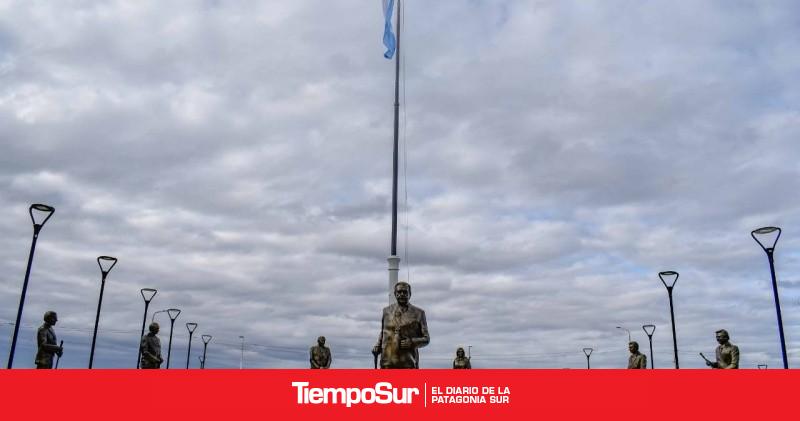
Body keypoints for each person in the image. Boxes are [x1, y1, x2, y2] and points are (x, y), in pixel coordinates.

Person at [372, 282, 430, 369]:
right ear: (395, 294)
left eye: (405, 292)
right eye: (399, 292)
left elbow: (426, 338)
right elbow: (383, 332)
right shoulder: (386, 311)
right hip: (387, 362)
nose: (402, 294)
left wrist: (412, 342)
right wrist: (378, 345)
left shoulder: (419, 313)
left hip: (408, 363)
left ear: (410, 294)